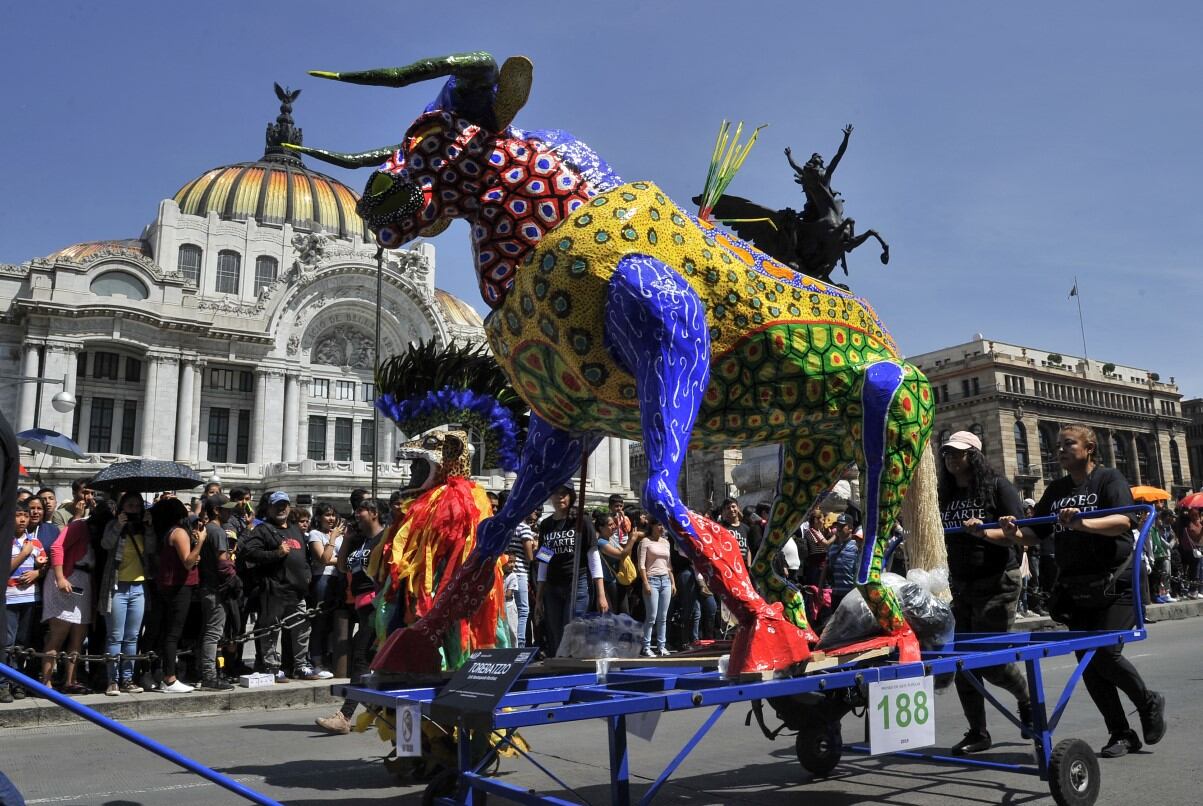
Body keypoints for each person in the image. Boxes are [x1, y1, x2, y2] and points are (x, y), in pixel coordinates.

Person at [1006, 424, 1165, 758]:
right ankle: (1121, 732)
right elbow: (1034, 535)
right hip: (1077, 586)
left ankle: (1147, 701)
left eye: (1068, 444)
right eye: (1058, 445)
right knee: (1088, 661)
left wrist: (1082, 522)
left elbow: (1123, 521)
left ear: (1089, 447)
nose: (1060, 450)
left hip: (1114, 584)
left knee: (1105, 652)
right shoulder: (1057, 489)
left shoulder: (1110, 480)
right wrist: (1011, 532)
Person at [937, 430, 1032, 755]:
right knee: (962, 662)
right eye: (947, 453)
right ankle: (978, 732)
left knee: (991, 662)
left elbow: (1019, 535)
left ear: (974, 456)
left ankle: (1026, 699)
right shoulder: (945, 493)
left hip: (997, 581)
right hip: (961, 585)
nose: (951, 458)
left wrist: (984, 531)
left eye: (958, 453)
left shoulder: (997, 487)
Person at [315, 497, 384, 735]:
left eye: (363, 510)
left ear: (375, 513)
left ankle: (345, 716)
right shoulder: (361, 541)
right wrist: (347, 541)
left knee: (361, 659)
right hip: (360, 605)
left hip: (378, 607)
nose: (357, 513)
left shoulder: (384, 539)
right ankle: (379, 708)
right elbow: (343, 566)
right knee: (370, 660)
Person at [241, 491, 321, 683]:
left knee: (302, 629)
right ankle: (271, 666)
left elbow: (304, 557)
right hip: (275, 589)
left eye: (284, 505)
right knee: (271, 630)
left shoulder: (295, 530)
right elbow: (248, 552)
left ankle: (300, 665)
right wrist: (276, 553)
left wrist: (307, 573)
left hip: (297, 590)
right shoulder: (263, 530)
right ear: (269, 508)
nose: (281, 509)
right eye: (277, 505)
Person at [42, 503, 111, 694]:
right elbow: (57, 547)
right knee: (58, 633)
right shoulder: (79, 525)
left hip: (85, 580)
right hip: (67, 577)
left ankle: (70, 680)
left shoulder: (101, 530)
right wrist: (60, 577)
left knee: (79, 635)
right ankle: (46, 682)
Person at [534, 484, 606, 657]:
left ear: (571, 496)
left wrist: (601, 594)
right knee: (555, 631)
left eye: (564, 494)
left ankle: (574, 668)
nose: (560, 498)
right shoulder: (546, 525)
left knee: (572, 628)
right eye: (556, 493)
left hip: (577, 583)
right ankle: (560, 668)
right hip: (552, 586)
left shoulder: (581, 521)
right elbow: (544, 561)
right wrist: (539, 597)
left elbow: (593, 557)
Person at [97, 492, 153, 695]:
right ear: (121, 507)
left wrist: (148, 528)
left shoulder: (145, 527)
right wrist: (119, 526)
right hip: (116, 586)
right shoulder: (113, 525)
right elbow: (105, 544)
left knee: (132, 637)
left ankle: (128, 679)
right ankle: (113, 681)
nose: (134, 509)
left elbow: (153, 549)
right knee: (115, 636)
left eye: (137, 506)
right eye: (129, 505)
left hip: (138, 587)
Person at [151, 497, 202, 693]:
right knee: (173, 633)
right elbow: (188, 562)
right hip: (179, 586)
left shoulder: (164, 532)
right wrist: (200, 542)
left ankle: (163, 673)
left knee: (167, 632)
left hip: (167, 585)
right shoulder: (179, 532)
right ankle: (170, 678)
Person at [2, 501, 46, 702]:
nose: (22, 520)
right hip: (9, 600)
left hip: (29, 599)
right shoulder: (6, 542)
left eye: (25, 516)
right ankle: (3, 684)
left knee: (23, 643)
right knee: (7, 643)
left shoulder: (35, 543)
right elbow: (5, 569)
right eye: (17, 515)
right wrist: (24, 554)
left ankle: (18, 683)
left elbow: (45, 565)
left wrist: (38, 570)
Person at [196, 496, 234, 690]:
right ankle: (209, 676)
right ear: (217, 510)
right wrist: (233, 578)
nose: (231, 512)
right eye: (227, 509)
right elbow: (223, 562)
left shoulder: (206, 529)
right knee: (213, 633)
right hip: (215, 588)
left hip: (205, 587)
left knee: (207, 631)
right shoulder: (217, 531)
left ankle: (201, 670)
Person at [306, 502, 344, 670]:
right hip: (322, 578)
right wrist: (333, 538)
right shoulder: (315, 534)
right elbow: (324, 558)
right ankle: (316, 659)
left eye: (333, 515)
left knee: (332, 623)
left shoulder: (340, 535)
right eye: (327, 515)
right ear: (319, 517)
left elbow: (346, 558)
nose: (331, 518)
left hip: (339, 579)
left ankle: (329, 656)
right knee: (319, 622)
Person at [594, 510, 642, 622]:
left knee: (624, 612)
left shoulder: (611, 539)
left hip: (619, 581)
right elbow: (622, 554)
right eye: (610, 525)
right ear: (601, 528)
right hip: (610, 583)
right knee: (618, 613)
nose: (614, 527)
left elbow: (626, 556)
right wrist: (632, 539)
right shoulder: (601, 543)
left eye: (614, 524)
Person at [637, 516, 675, 657]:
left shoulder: (666, 542)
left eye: (663, 525)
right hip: (651, 580)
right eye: (658, 524)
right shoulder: (645, 542)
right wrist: (645, 582)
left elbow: (669, 564)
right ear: (651, 526)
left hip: (665, 580)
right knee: (651, 616)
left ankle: (661, 646)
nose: (661, 528)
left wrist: (673, 582)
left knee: (663, 617)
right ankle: (646, 646)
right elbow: (641, 565)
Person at [505, 509, 538, 646]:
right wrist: (535, 547)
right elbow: (529, 556)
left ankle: (512, 641)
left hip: (509, 571)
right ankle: (520, 642)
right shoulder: (524, 528)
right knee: (523, 610)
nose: (535, 513)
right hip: (521, 572)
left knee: (512, 609)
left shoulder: (509, 526)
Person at [825, 513, 862, 609]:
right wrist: (821, 588)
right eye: (838, 526)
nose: (839, 528)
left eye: (842, 526)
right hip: (835, 594)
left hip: (851, 594)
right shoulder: (832, 548)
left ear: (850, 528)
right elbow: (826, 567)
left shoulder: (856, 547)